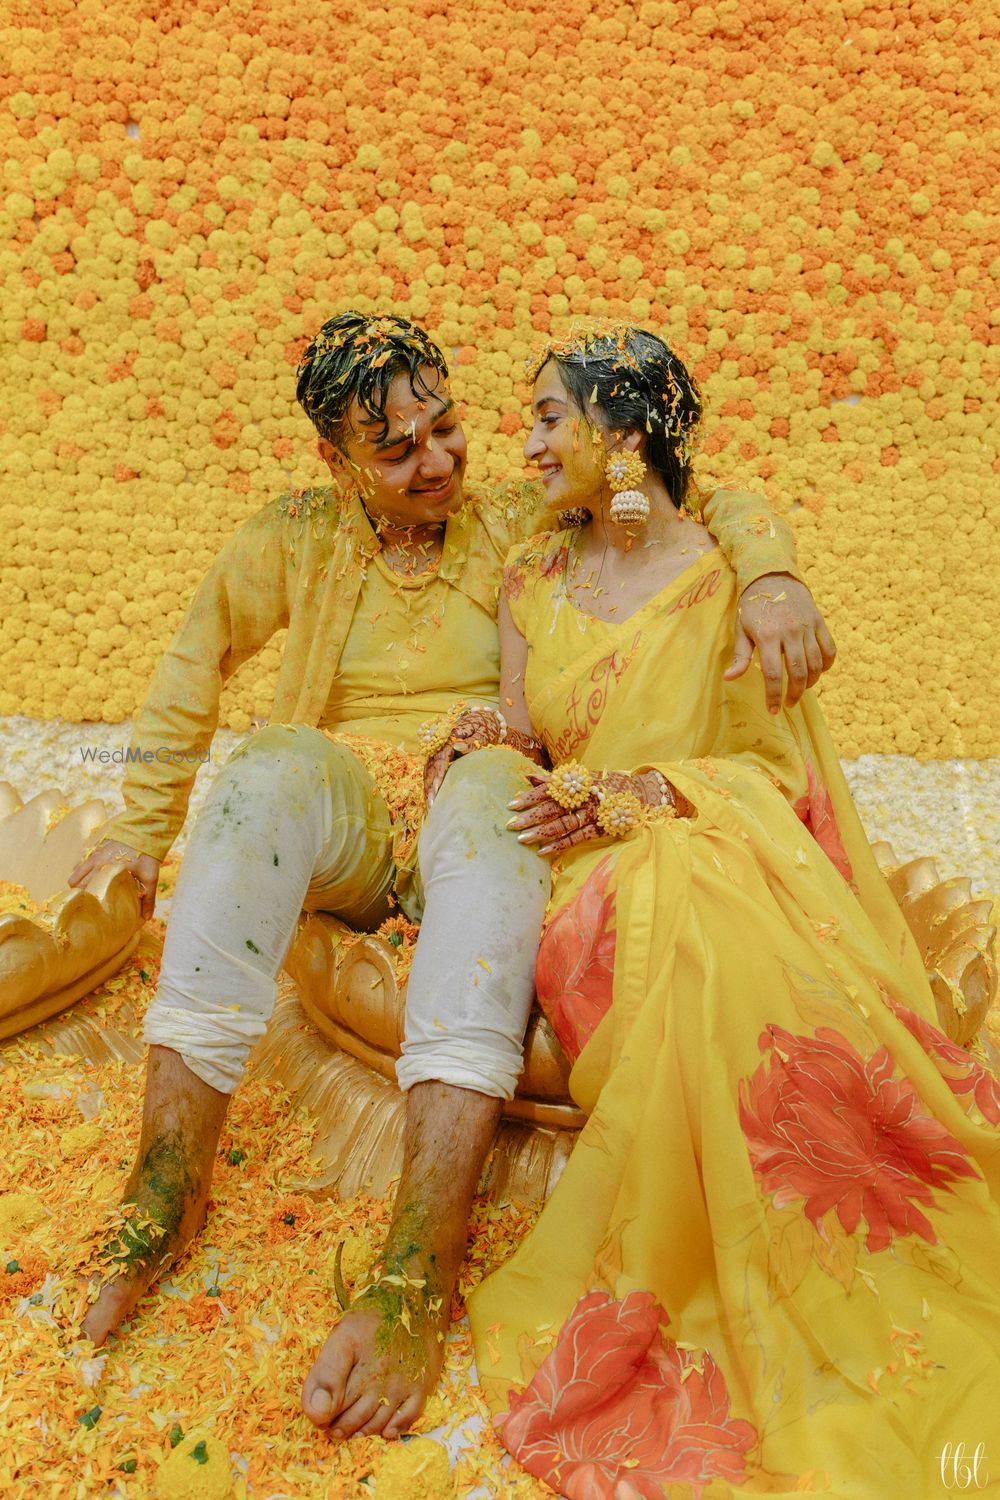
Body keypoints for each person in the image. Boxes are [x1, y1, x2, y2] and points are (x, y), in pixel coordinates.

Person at [67, 312, 835, 1441]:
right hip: (350, 828)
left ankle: (416, 1270)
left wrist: (770, 575)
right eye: (396, 450)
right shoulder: (290, 536)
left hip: (484, 817)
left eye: (447, 427)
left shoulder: (517, 516)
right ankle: (165, 1179)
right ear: (334, 462)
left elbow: (690, 487)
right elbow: (192, 676)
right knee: (268, 761)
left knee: (485, 774)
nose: (438, 461)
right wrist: (139, 829)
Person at [458, 324, 1000, 1499]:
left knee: (697, 887)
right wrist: (480, 741)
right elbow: (524, 729)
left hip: (707, 853)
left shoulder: (723, 582)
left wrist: (654, 792)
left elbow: (776, 779)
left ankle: (830, 1264)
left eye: (551, 416)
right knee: (678, 893)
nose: (528, 441)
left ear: (626, 433)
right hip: (577, 883)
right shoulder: (528, 584)